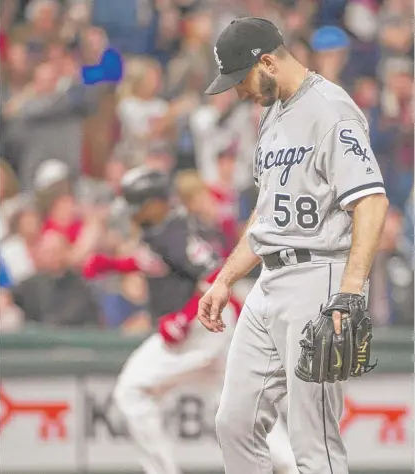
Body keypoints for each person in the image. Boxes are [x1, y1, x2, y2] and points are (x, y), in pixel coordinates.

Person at [198, 17, 389, 474]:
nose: (238, 91)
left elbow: (371, 201)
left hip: (320, 276)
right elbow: (266, 213)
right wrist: (225, 279)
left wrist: (349, 289)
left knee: (313, 441)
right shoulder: (272, 113)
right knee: (235, 423)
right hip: (270, 279)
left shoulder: (330, 109)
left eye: (240, 80)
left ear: (266, 61)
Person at [113, 166, 297, 474]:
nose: (132, 213)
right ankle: (295, 467)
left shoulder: (174, 230)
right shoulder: (163, 229)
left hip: (203, 330)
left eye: (138, 205)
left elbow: (214, 275)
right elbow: (161, 266)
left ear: (156, 202)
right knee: (240, 411)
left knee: (131, 390)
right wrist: (109, 264)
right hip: (215, 330)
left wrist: (185, 319)